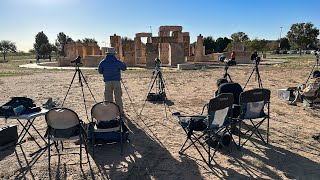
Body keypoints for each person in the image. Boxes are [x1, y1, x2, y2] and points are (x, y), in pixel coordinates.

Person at [98, 47, 127, 115]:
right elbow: (124, 68)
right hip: (116, 81)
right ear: (114, 54)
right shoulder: (117, 62)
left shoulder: (103, 62)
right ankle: (120, 112)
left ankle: (109, 112)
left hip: (107, 81)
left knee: (108, 98)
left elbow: (100, 71)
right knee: (118, 97)